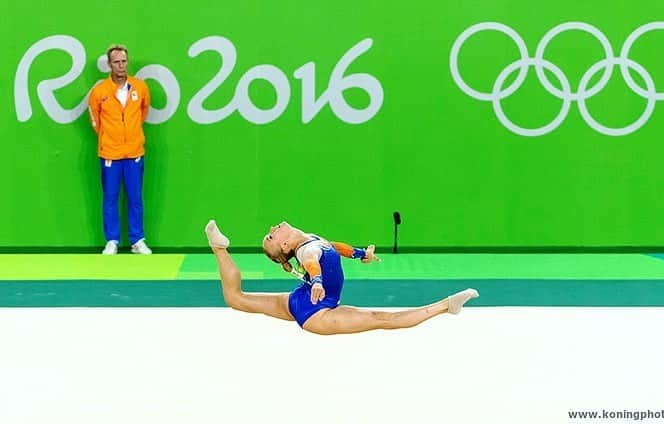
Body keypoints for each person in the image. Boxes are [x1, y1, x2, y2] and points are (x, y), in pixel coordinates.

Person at [205, 220, 479, 335]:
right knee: (383, 320)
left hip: (301, 299)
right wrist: (318, 282)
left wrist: (360, 254)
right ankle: (447, 306)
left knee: (236, 298)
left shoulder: (309, 239)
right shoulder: (304, 250)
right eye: (271, 236)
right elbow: (312, 262)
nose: (272, 228)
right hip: (317, 311)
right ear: (285, 247)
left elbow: (332, 247)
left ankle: (219, 247)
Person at [88, 44, 152, 255]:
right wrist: (110, 138)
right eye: (116, 62)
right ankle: (112, 240)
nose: (121, 65)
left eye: (124, 61)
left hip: (134, 152)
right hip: (110, 154)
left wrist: (131, 136)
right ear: (109, 64)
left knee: (135, 198)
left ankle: (137, 240)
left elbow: (143, 113)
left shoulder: (140, 88)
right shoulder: (99, 92)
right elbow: (95, 122)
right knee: (110, 198)